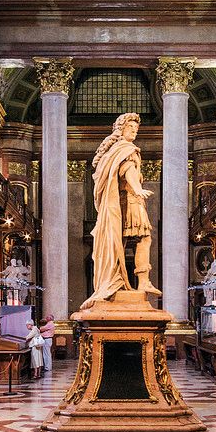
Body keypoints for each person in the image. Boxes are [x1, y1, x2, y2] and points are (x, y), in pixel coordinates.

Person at [81, 112, 161, 309]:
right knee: (143, 238)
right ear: (121, 130)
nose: (134, 132)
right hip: (131, 201)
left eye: (136, 129)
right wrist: (137, 188)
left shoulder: (112, 152)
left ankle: (122, 281)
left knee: (119, 242)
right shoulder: (126, 149)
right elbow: (128, 170)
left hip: (118, 204)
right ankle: (143, 281)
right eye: (130, 128)